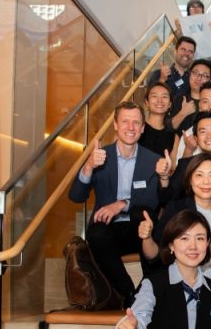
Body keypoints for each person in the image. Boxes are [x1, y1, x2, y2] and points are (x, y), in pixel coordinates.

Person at [68, 101, 169, 303]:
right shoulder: (100, 157)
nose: (130, 127)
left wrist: (121, 204)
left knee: (143, 214)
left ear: (143, 128)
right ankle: (129, 294)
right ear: (115, 125)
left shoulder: (153, 160)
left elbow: (152, 200)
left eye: (136, 123)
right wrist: (88, 166)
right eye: (125, 122)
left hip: (139, 230)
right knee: (96, 231)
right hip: (108, 233)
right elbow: (76, 196)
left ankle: (151, 289)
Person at [151, 153, 211, 290]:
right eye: (199, 175)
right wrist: (146, 237)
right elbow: (157, 250)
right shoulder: (175, 209)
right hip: (178, 285)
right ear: (190, 179)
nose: (206, 182)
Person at [170, 59, 211, 133]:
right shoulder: (179, 100)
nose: (199, 78)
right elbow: (167, 129)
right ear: (189, 74)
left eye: (204, 75)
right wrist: (183, 113)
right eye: (195, 73)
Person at [140, 82, 178, 158]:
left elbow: (173, 164)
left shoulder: (173, 137)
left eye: (164, 97)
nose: (160, 100)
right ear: (147, 102)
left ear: (170, 104)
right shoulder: (136, 128)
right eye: (154, 96)